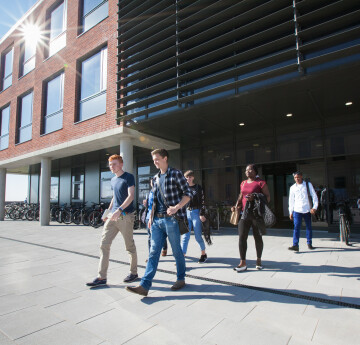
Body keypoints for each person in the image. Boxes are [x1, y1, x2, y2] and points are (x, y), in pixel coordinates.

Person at [126, 148, 192, 296]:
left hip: (172, 220)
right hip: (156, 221)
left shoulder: (175, 174)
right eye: (154, 159)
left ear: (165, 158)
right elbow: (154, 202)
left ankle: (181, 278)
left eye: (157, 159)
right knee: (153, 252)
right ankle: (145, 285)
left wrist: (177, 207)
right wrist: (150, 218)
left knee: (176, 251)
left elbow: (188, 194)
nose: (155, 162)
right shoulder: (155, 178)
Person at [86, 154, 138, 287]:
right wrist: (107, 213)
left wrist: (119, 210)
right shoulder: (113, 180)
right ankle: (101, 277)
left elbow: (131, 196)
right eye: (110, 165)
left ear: (121, 164)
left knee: (129, 246)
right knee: (104, 244)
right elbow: (114, 198)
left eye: (114, 164)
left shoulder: (128, 177)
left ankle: (133, 273)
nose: (112, 167)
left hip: (125, 216)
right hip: (112, 216)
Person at [232, 164, 270, 272]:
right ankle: (242, 262)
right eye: (246, 170)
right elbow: (241, 195)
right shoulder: (243, 183)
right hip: (244, 214)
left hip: (256, 215)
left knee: (257, 237)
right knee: (241, 237)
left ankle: (258, 260)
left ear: (255, 171)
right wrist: (236, 206)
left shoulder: (261, 183)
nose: (247, 171)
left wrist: (255, 197)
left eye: (250, 169)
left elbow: (268, 197)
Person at [182, 170, 208, 263]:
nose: (188, 179)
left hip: (196, 212)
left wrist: (202, 213)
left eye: (190, 177)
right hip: (186, 213)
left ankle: (203, 254)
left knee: (197, 236)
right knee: (185, 236)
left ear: (193, 177)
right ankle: (182, 255)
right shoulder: (183, 188)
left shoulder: (198, 187)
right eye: (186, 177)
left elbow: (202, 201)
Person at [288, 171, 318, 251]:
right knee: (296, 227)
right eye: (295, 178)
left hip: (307, 210)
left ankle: (309, 243)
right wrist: (290, 212)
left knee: (308, 227)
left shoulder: (308, 185)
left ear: (301, 176)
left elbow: (314, 196)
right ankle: (295, 245)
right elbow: (291, 201)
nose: (297, 179)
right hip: (297, 210)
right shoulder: (292, 187)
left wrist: (314, 207)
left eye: (298, 177)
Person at [144, 178, 168, 260]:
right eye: (152, 182)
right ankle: (150, 255)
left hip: (157, 216)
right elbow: (148, 206)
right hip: (149, 216)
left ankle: (164, 247)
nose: (153, 183)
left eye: (155, 182)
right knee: (150, 236)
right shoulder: (149, 193)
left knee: (161, 235)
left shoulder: (160, 192)